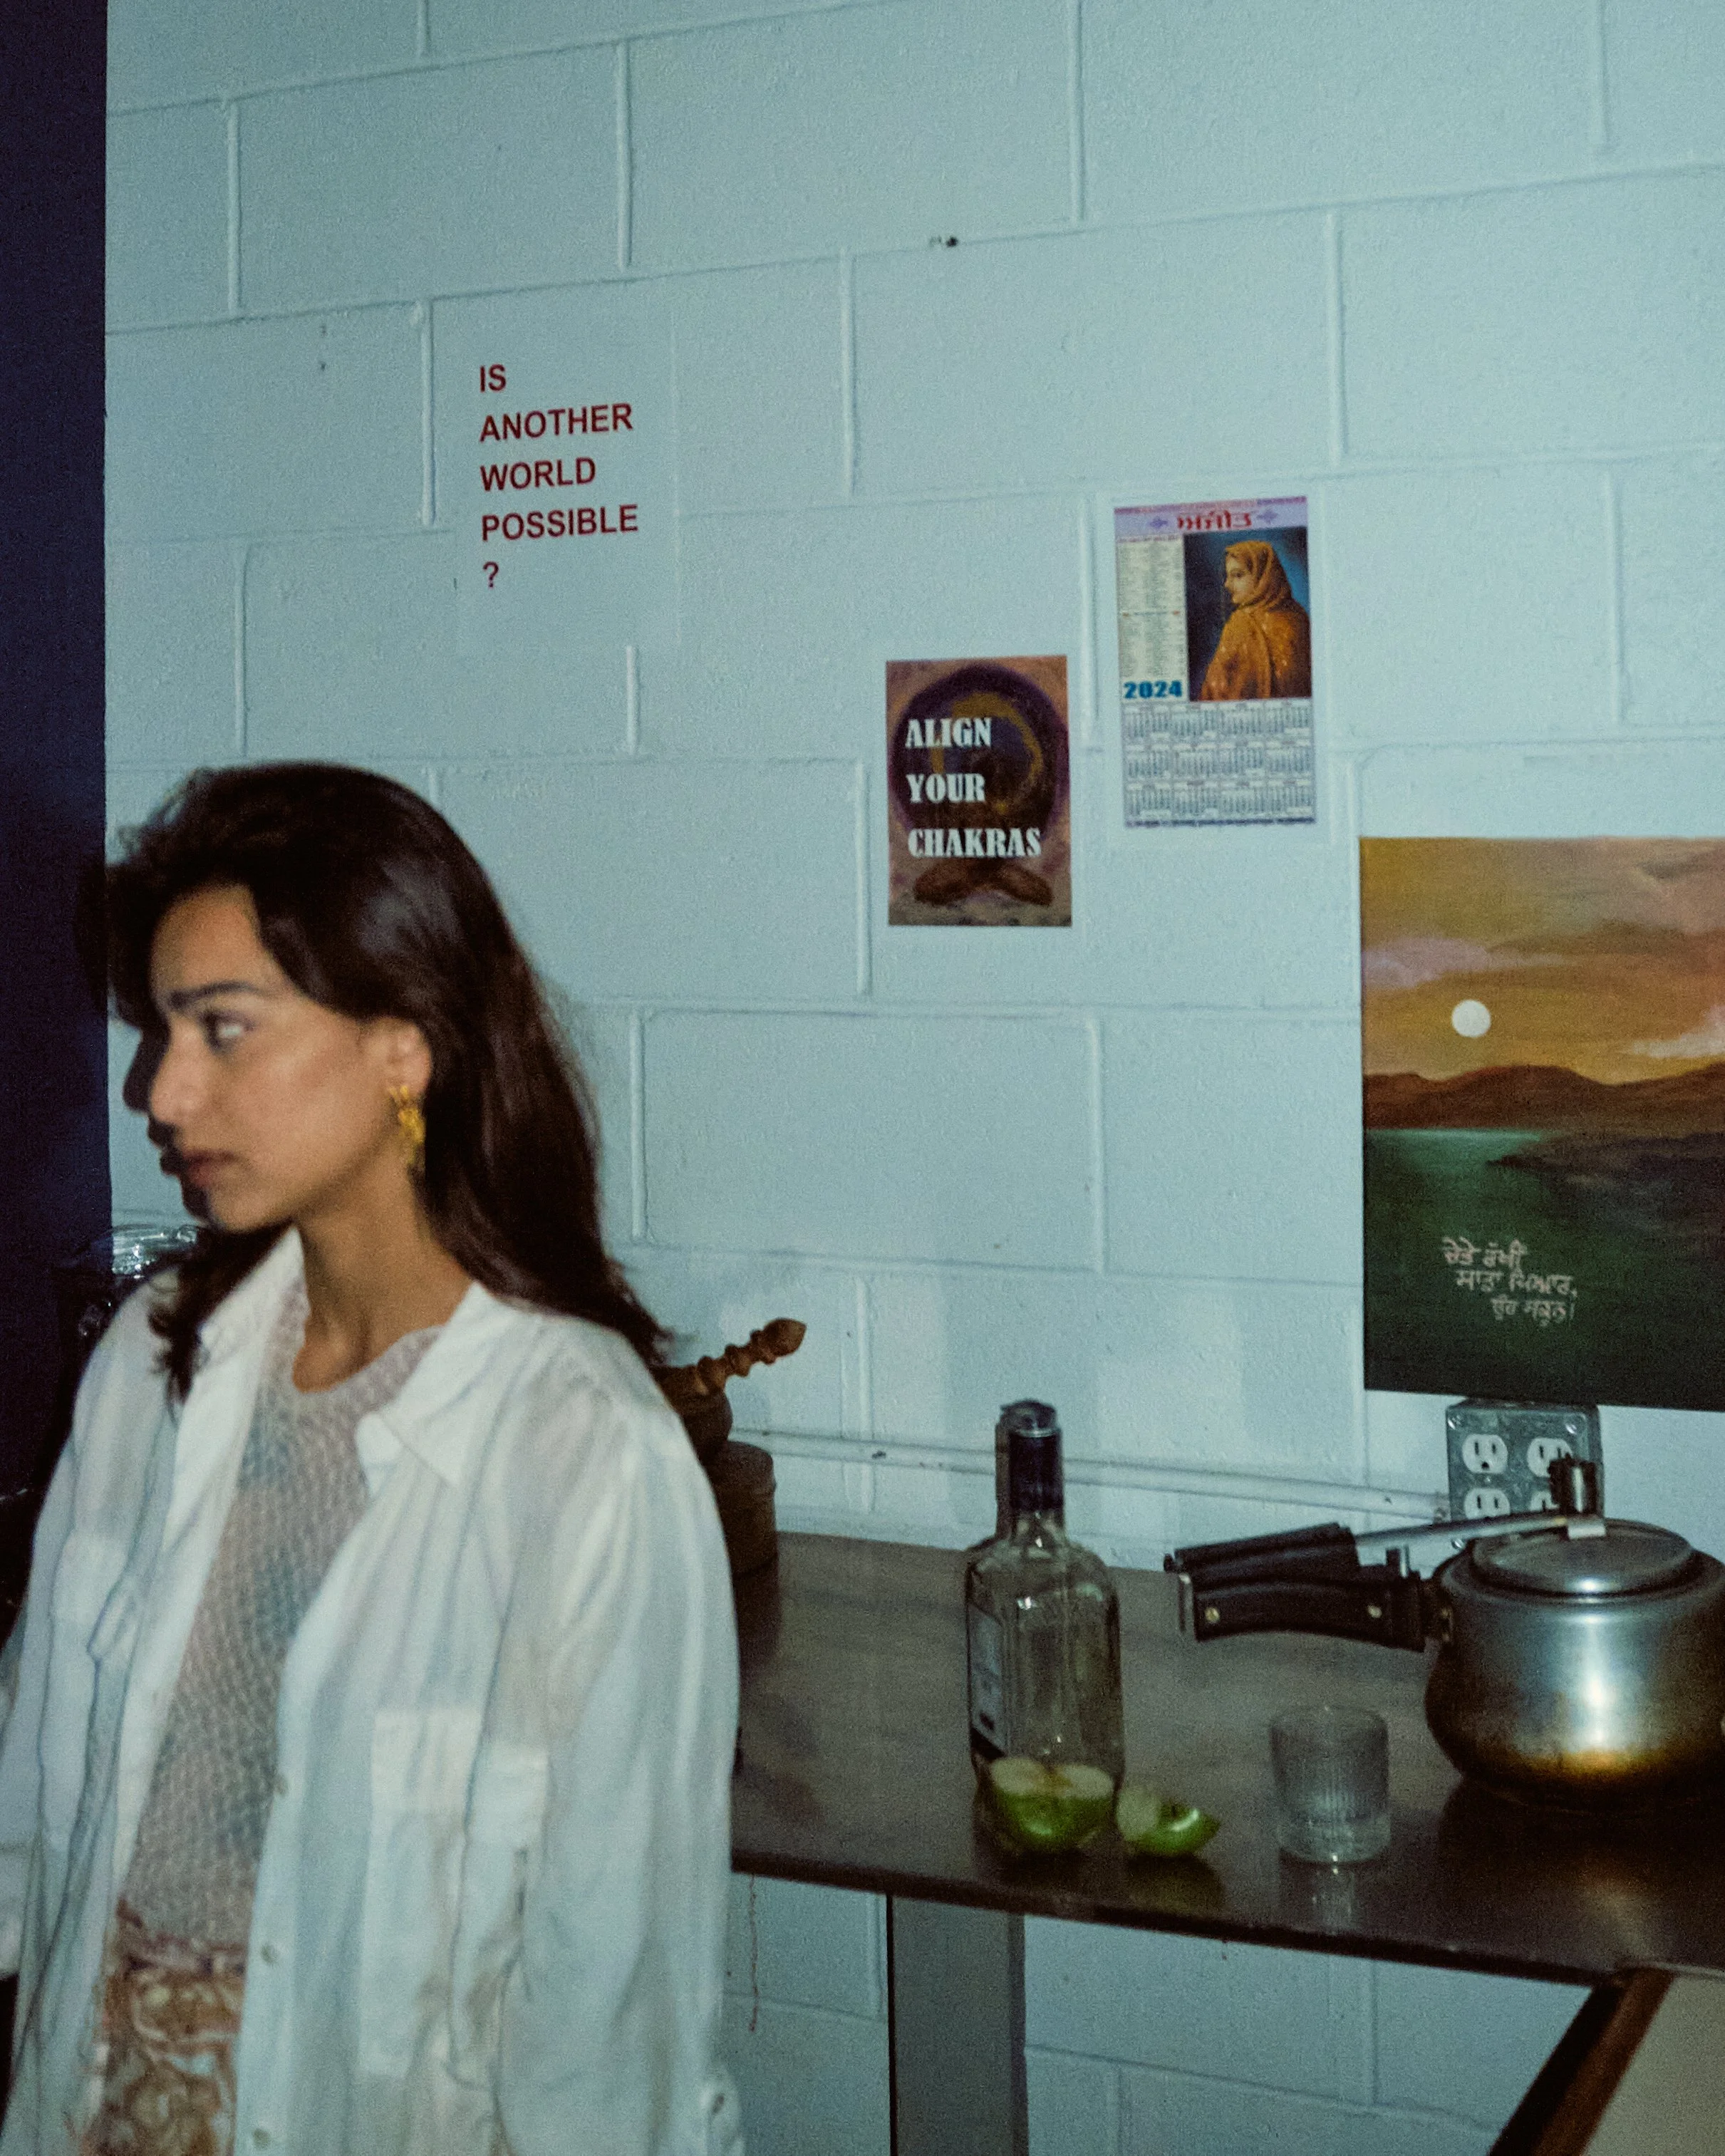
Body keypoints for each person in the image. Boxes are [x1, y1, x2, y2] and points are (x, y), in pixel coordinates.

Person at [0, 764, 741, 2156]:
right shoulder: (154, 1359)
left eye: (223, 1027)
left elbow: (613, 2037)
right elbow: (26, 1808)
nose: (159, 1089)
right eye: (163, 1028)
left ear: (404, 1047)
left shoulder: (585, 1457)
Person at [1196, 539, 1312, 703]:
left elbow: (1213, 696)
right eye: (1228, 576)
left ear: (1263, 576)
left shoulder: (1242, 623)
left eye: (1238, 575)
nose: (1227, 585)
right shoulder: (1300, 617)